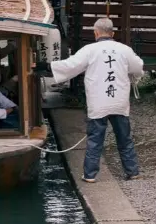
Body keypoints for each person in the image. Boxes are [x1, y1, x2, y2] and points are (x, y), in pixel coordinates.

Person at [36, 18, 143, 183]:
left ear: (96, 33)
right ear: (112, 33)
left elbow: (70, 66)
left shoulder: (89, 50)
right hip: (119, 102)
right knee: (124, 138)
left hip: (98, 103)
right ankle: (132, 171)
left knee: (95, 139)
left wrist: (46, 66)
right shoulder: (124, 50)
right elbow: (138, 67)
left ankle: (90, 175)